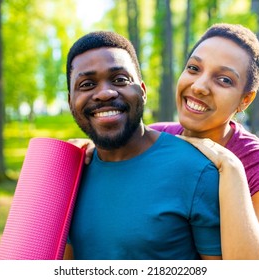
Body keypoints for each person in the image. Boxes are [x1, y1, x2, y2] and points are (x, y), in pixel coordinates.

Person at [65, 31, 221, 260]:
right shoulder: (66, 174)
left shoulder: (195, 170)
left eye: (120, 79)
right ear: (70, 102)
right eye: (87, 84)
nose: (105, 93)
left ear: (143, 91)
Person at [149, 23, 259, 259]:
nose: (199, 87)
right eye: (194, 68)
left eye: (224, 80)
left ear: (245, 100)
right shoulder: (155, 138)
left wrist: (230, 167)